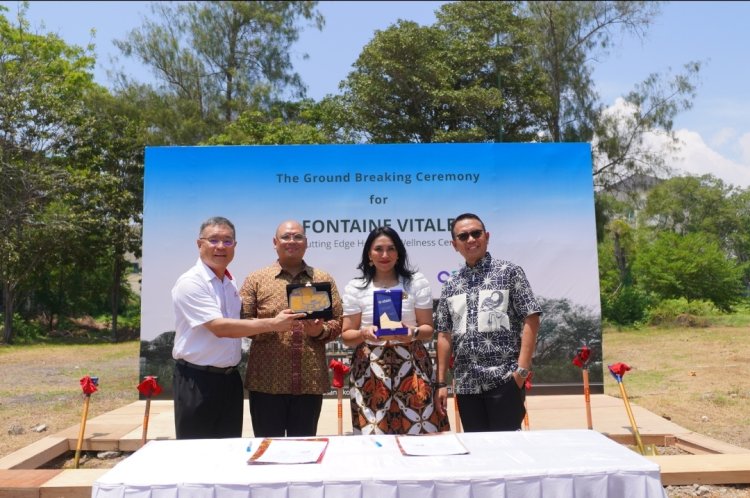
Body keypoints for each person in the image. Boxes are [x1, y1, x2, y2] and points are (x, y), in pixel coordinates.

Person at [171, 216, 303, 440]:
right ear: (199, 244)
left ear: (235, 246)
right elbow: (219, 328)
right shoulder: (191, 282)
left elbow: (239, 324)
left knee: (229, 452)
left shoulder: (228, 283)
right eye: (214, 240)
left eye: (227, 241)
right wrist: (273, 323)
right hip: (197, 381)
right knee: (196, 456)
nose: (221, 247)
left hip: (229, 381)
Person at [435, 213, 542, 432]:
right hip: (466, 385)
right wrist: (441, 382)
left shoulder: (509, 272)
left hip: (504, 380)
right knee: (479, 454)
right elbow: (444, 335)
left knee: (508, 451)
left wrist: (521, 372)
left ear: (487, 236)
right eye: (463, 236)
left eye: (476, 233)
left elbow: (531, 317)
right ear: (455, 244)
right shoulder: (451, 285)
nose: (471, 239)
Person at [341, 227, 450, 435]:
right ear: (369, 255)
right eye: (378, 249)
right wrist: (364, 333)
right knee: (375, 438)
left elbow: (428, 330)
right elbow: (347, 335)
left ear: (399, 253)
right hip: (370, 369)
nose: (385, 255)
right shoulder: (356, 287)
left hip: (412, 366)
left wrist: (414, 332)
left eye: (391, 249)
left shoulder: (416, 283)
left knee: (421, 434)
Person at [240, 220, 343, 437]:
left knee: (305, 451)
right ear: (275, 242)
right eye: (286, 237)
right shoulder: (256, 279)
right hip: (266, 382)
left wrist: (320, 332)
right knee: (267, 449)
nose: (292, 241)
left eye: (298, 237)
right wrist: (271, 325)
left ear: (306, 242)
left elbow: (339, 321)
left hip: (309, 382)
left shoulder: (323, 279)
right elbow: (242, 322)